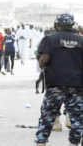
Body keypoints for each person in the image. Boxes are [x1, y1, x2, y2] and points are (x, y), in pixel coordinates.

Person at [35, 13, 83, 146]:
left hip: (56, 84)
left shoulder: (50, 39)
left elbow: (44, 61)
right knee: (77, 120)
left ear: (58, 24)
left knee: (47, 117)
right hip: (77, 86)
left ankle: (41, 143)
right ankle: (73, 144)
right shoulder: (81, 41)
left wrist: (41, 60)